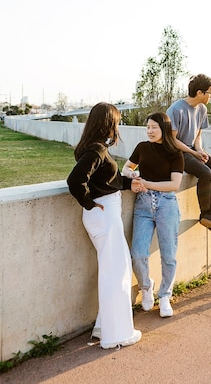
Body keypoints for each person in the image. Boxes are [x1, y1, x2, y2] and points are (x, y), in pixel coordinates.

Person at [67, 102, 144, 349]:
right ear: (109, 123)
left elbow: (104, 179)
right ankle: (117, 335)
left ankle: (105, 327)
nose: (118, 126)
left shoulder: (93, 148)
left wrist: (127, 183)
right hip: (103, 215)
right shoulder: (97, 150)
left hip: (103, 214)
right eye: (117, 121)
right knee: (116, 273)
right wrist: (90, 203)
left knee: (112, 270)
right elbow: (76, 180)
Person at [122, 112, 184, 318]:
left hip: (167, 205)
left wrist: (146, 183)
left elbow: (174, 185)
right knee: (137, 254)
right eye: (148, 127)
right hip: (143, 206)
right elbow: (126, 168)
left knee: (169, 255)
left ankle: (165, 295)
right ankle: (146, 287)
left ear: (164, 129)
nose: (150, 131)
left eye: (154, 127)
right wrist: (133, 175)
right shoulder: (142, 147)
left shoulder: (175, 152)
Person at [166, 74, 211, 232]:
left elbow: (198, 136)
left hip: (193, 150)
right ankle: (204, 214)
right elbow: (172, 140)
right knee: (206, 173)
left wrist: (200, 151)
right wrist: (193, 153)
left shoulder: (202, 109)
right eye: (210, 93)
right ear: (200, 93)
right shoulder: (176, 109)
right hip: (177, 152)